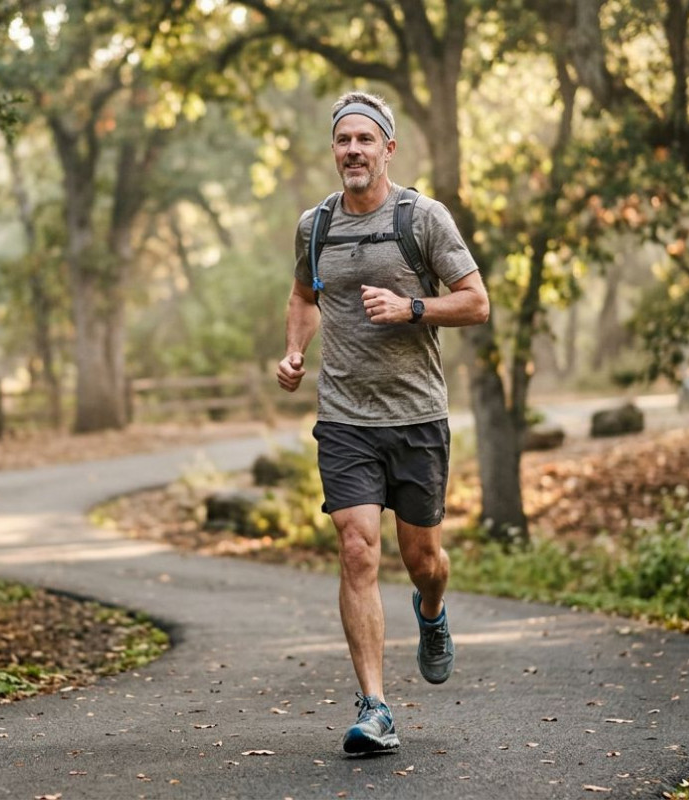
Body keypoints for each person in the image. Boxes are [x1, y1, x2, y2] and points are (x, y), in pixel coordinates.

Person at [276, 91, 490, 755]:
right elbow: (305, 296)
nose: (353, 151)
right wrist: (293, 351)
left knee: (421, 558)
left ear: (388, 149)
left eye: (366, 140)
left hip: (417, 415)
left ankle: (432, 610)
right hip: (345, 418)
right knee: (357, 547)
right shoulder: (316, 226)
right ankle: (375, 706)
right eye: (344, 141)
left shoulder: (422, 219)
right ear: (333, 150)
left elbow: (476, 303)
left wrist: (412, 308)